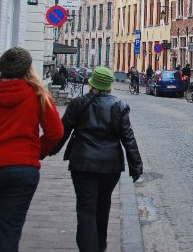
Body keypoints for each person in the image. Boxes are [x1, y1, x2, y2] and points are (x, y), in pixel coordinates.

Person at [0, 47, 64, 252]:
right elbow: (55, 133)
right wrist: (37, 151)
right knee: (9, 225)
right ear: (28, 69)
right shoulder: (38, 96)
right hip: (23, 170)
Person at [51, 66, 142, 252]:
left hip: (82, 164)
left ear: (92, 83)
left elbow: (63, 132)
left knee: (85, 209)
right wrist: (135, 165)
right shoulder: (119, 106)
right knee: (103, 207)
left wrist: (49, 150)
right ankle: (100, 245)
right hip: (110, 167)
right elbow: (128, 138)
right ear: (109, 85)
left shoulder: (78, 103)